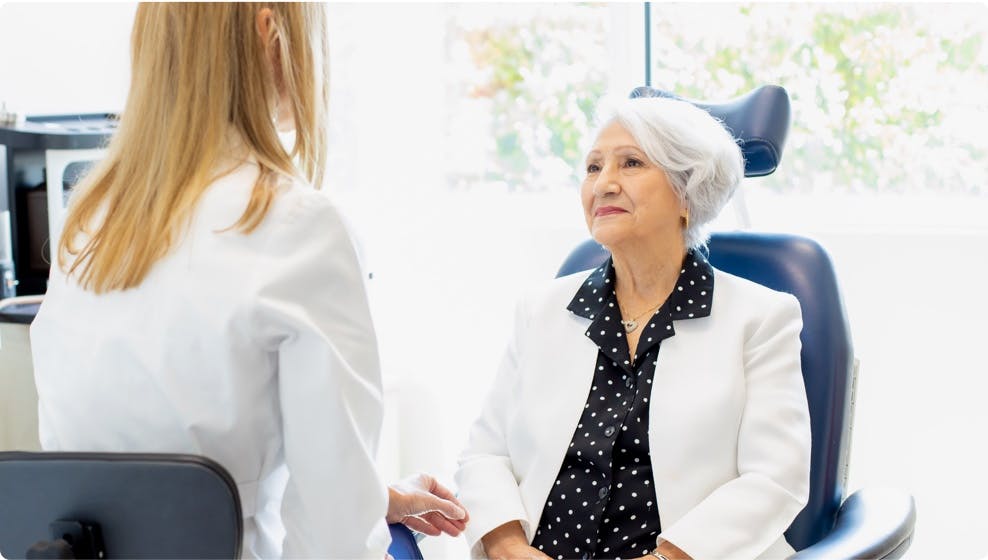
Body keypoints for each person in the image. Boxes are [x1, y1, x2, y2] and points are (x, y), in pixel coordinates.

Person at [29, 4, 466, 558]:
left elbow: (121, 480)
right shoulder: (296, 225)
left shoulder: (90, 221)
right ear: (268, 33)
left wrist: (371, 497)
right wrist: (361, 505)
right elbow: (334, 533)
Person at [455, 96, 811, 560]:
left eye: (631, 163)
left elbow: (774, 479)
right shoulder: (540, 310)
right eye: (593, 167)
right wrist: (507, 546)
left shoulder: (761, 319)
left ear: (688, 193)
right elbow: (485, 454)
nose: (603, 184)